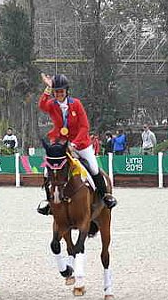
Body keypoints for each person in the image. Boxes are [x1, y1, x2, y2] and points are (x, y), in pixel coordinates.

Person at [36, 73, 117, 215]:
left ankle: (105, 196)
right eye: (56, 91)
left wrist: (74, 144)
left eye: (61, 91)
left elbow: (84, 127)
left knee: (93, 168)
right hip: (61, 144)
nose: (59, 94)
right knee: (46, 170)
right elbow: (42, 105)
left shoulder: (76, 104)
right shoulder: (52, 104)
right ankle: (49, 202)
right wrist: (48, 89)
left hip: (80, 144)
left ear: (67, 91)